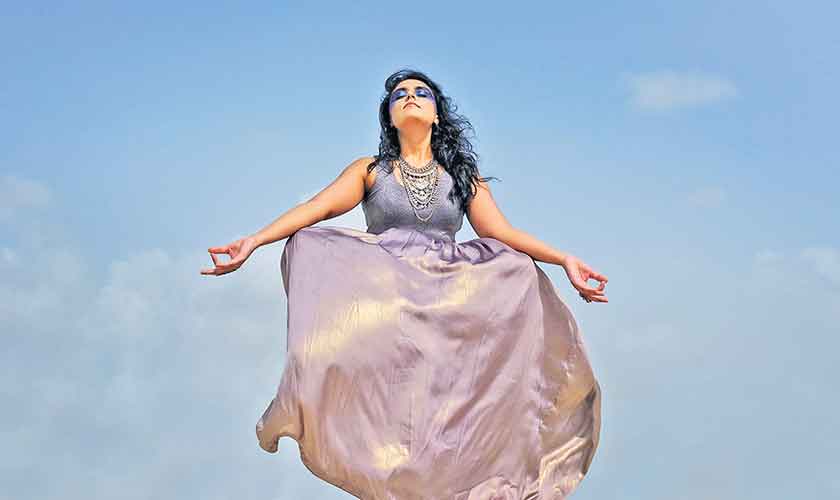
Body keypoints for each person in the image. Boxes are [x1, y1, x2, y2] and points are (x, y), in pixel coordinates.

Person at [201, 68, 609, 500]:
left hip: (446, 293)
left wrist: (564, 260)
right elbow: (318, 208)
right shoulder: (372, 170)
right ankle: (321, 410)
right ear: (390, 117)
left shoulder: (462, 177)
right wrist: (256, 241)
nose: (410, 97)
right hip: (388, 288)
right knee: (306, 244)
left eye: (421, 93)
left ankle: (467, 460)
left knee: (518, 270)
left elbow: (501, 233)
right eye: (400, 95)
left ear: (436, 115)